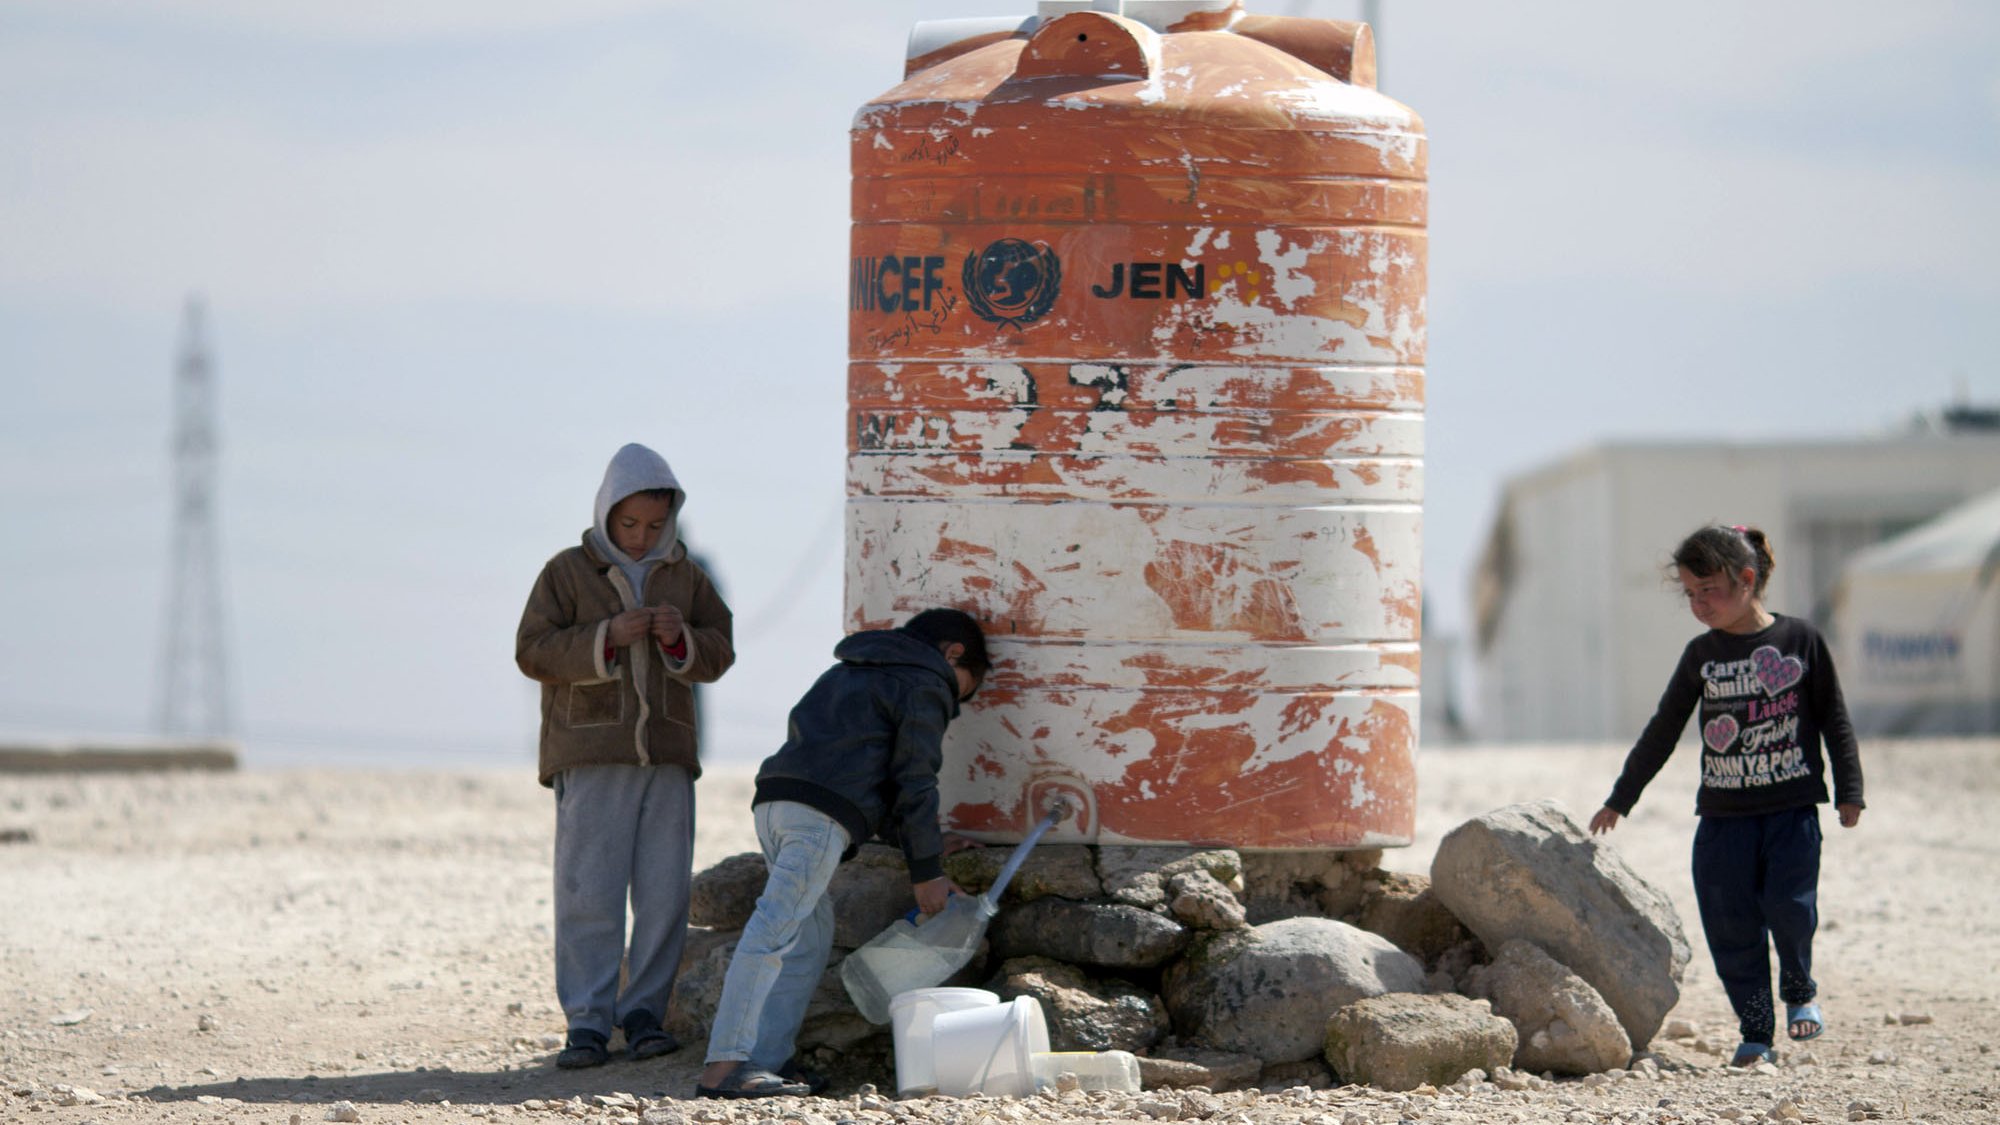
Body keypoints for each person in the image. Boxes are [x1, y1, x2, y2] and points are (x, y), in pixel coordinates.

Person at [1589, 525, 1864, 1069]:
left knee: (1789, 909)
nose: (1698, 604)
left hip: (1791, 812)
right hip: (1722, 820)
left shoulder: (1800, 641)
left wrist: (1850, 789)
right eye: (1690, 594)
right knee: (1730, 926)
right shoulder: (1702, 656)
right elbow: (1663, 728)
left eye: (1708, 590)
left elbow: (1834, 718)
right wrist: (1622, 797)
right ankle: (1757, 1029)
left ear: (1746, 579)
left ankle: (1799, 989)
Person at [695, 608, 990, 1099]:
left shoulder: (848, 668)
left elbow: (864, 770)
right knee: (773, 933)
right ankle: (723, 1069)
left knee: (810, 934)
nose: (960, 701)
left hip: (775, 803)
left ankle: (768, 1060)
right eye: (968, 687)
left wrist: (928, 848)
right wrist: (927, 874)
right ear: (953, 655)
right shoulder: (926, 681)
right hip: (816, 819)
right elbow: (914, 782)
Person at [516, 443, 735, 1069]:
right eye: (629, 524)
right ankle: (587, 1022)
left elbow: (719, 651)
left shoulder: (688, 577)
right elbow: (532, 651)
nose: (642, 538)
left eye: (655, 526)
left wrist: (680, 639)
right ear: (607, 514)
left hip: (666, 758)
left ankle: (644, 1015)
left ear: (672, 521)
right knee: (589, 892)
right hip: (590, 757)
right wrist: (605, 637)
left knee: (665, 895)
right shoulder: (564, 573)